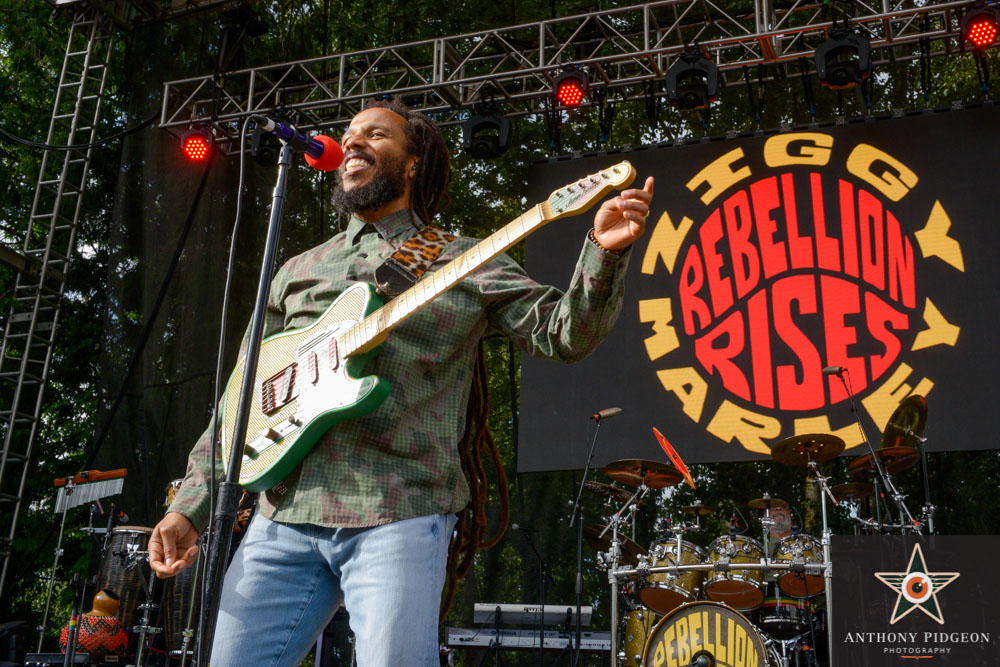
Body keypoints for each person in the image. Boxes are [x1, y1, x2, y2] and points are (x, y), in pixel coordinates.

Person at [149, 98, 654, 666]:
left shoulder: (466, 259)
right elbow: (241, 399)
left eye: (376, 134)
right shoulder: (297, 270)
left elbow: (564, 335)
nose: (355, 141)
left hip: (399, 507)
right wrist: (190, 505)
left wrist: (603, 255)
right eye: (350, 133)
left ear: (413, 164)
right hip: (282, 516)